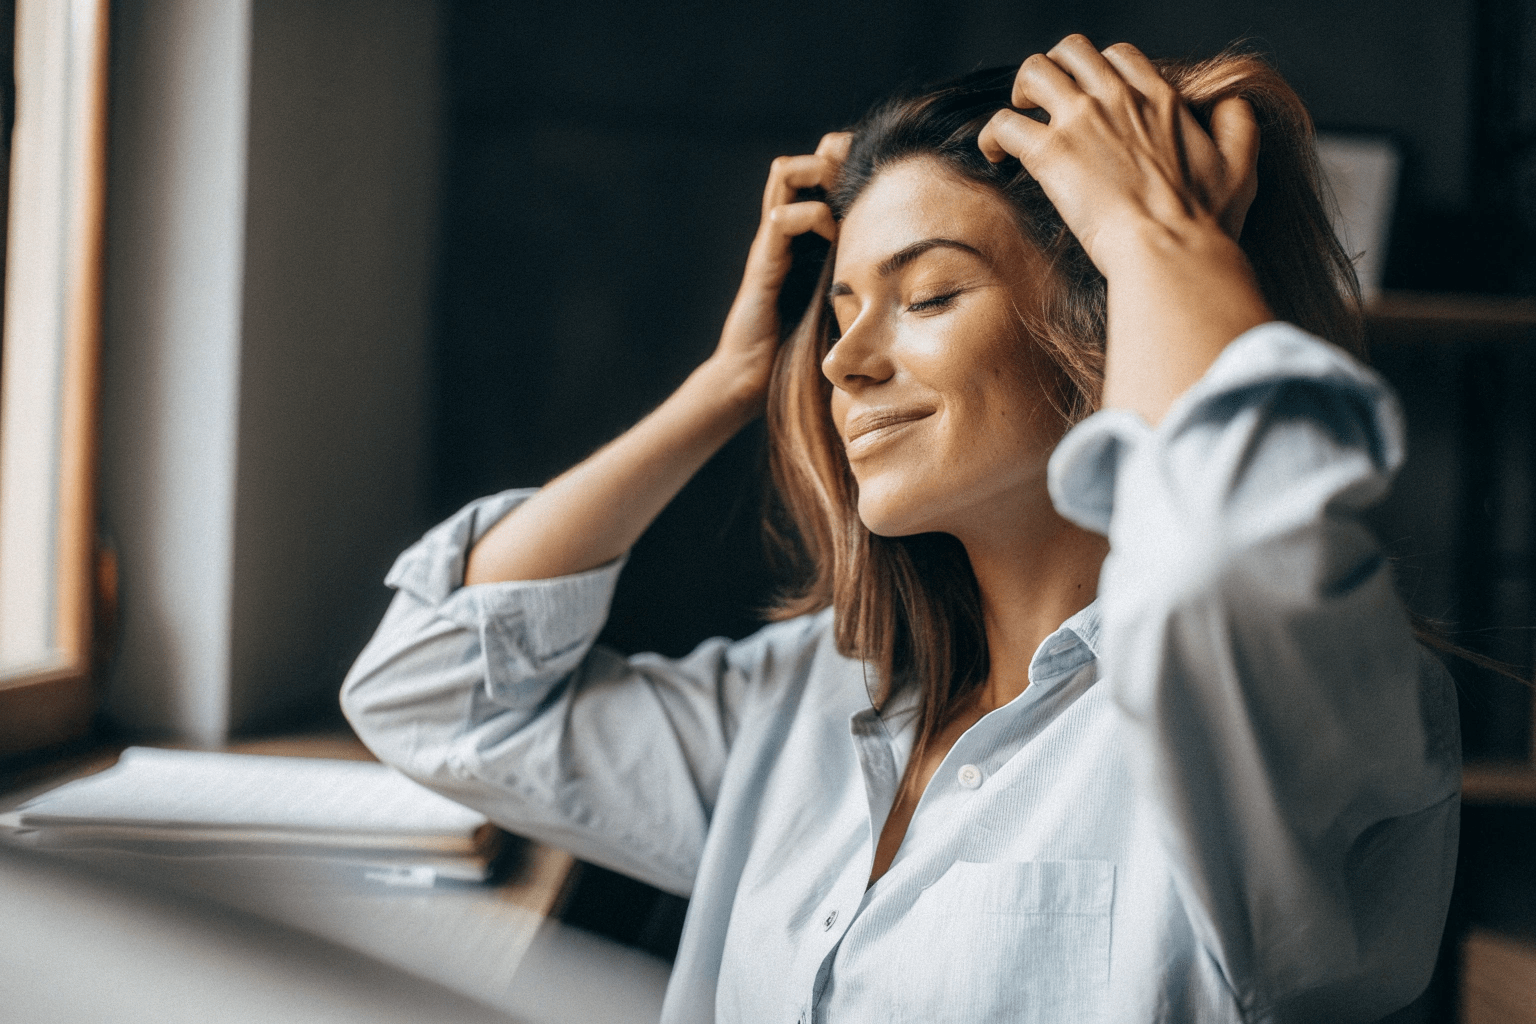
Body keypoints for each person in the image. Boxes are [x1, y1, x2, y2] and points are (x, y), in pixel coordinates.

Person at [341, 36, 1459, 1023]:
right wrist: (725, 384)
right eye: (839, 310)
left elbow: (1216, 572)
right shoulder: (808, 702)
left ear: (1102, 327)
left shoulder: (1305, 710)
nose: (842, 360)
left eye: (926, 296)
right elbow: (435, 691)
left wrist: (1156, 236)